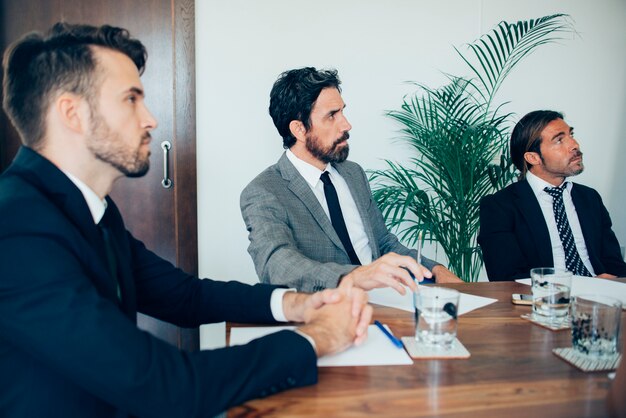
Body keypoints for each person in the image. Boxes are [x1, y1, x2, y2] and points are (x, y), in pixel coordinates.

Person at [0, 23, 372, 417]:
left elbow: (185, 296)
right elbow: (166, 386)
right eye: (131, 99)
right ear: (71, 113)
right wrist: (315, 339)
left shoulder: (91, 210)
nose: (150, 119)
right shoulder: (16, 228)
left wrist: (298, 304)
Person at [240, 67, 461, 294]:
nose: (346, 125)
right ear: (299, 129)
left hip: (387, 300)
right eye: (332, 115)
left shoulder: (353, 174)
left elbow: (384, 243)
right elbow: (277, 265)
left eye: (343, 112)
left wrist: (434, 269)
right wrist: (356, 277)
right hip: (329, 313)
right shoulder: (264, 191)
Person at [478, 110, 626, 281]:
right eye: (559, 140)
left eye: (571, 135)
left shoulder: (590, 198)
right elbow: (505, 277)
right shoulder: (500, 206)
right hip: (543, 300)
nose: (574, 145)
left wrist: (616, 282)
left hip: (600, 299)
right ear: (533, 157)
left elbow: (614, 263)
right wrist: (582, 286)